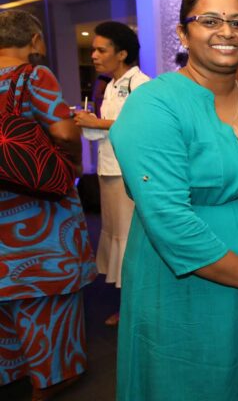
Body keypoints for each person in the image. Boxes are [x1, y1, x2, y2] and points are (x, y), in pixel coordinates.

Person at [109, 0, 238, 400]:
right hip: (185, 286)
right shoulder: (154, 104)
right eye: (210, 20)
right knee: (189, 383)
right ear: (183, 34)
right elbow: (168, 218)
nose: (226, 31)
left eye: (237, 22)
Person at [0, 9, 97, 399]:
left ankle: (12, 370)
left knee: (6, 289)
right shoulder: (32, 76)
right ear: (35, 40)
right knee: (48, 289)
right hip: (38, 205)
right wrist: (72, 161)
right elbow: (62, 131)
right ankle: (54, 375)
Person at [73, 21, 150, 326]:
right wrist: (88, 122)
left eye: (100, 50)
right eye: (93, 49)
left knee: (131, 241)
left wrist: (98, 123)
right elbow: (104, 133)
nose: (93, 55)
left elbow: (141, 127)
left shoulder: (141, 84)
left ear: (122, 53)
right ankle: (129, 305)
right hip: (108, 171)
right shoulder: (110, 85)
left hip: (129, 174)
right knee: (117, 238)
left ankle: (139, 309)